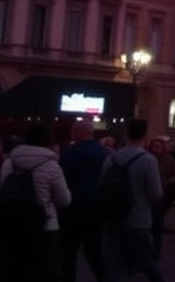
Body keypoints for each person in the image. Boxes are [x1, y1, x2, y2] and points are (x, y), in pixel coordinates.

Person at [0, 123, 72, 282]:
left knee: (14, 270)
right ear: (48, 141)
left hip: (12, 223)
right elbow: (64, 200)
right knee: (47, 272)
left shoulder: (9, 163)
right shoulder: (51, 166)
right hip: (45, 225)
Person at [100, 119, 167, 282]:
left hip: (112, 218)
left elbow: (101, 187)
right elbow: (156, 194)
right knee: (147, 260)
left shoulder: (111, 158)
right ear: (145, 135)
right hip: (138, 219)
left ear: (126, 134)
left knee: (112, 264)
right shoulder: (148, 160)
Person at [58, 120, 109, 282]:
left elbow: (62, 180)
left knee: (69, 252)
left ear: (76, 132)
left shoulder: (69, 154)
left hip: (72, 209)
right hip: (96, 208)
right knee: (94, 251)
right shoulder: (104, 153)